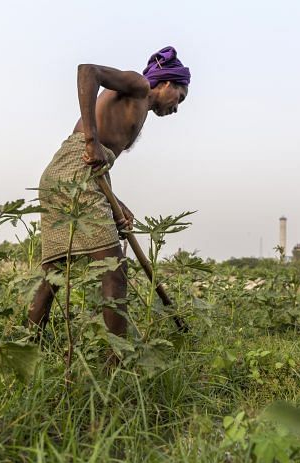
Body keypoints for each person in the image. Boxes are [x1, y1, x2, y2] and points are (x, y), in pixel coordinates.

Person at [28, 46, 190, 338]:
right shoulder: (139, 86)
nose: (177, 107)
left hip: (73, 175)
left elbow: (99, 165)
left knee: (54, 273)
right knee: (114, 270)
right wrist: (91, 139)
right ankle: (118, 360)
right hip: (73, 170)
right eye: (179, 97)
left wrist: (116, 203)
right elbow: (87, 71)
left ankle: (28, 344)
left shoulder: (140, 109)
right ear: (166, 83)